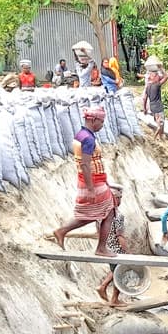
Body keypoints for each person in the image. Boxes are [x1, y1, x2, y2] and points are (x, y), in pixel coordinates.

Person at [53, 107, 116, 257]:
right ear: (94, 120)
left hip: (90, 180)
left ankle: (62, 231)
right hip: (93, 181)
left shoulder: (80, 135)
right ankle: (101, 248)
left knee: (93, 214)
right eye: (101, 122)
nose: (102, 125)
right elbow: (85, 164)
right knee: (109, 212)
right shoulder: (88, 139)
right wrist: (91, 189)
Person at [97, 184, 129, 307]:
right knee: (120, 272)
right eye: (118, 198)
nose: (120, 200)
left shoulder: (101, 213)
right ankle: (114, 299)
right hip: (116, 249)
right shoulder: (117, 215)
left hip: (106, 247)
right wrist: (127, 252)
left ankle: (103, 286)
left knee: (114, 270)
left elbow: (98, 232)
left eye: (121, 197)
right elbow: (120, 236)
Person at [143, 66, 167, 139]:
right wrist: (161, 68)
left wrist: (144, 109)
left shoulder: (148, 87)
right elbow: (166, 76)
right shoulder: (157, 85)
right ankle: (156, 136)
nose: (158, 77)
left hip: (152, 106)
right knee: (161, 123)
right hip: (158, 105)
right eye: (157, 76)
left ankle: (160, 137)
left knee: (157, 121)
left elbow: (144, 98)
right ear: (153, 77)